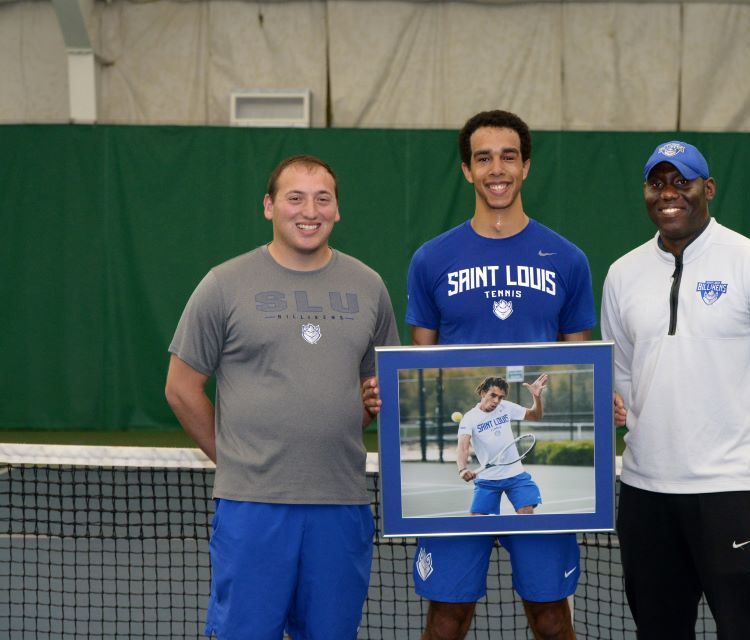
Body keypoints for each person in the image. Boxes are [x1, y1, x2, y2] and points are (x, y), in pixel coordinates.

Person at [164, 155, 400, 639]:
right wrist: (233, 459)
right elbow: (181, 387)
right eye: (295, 197)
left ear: (338, 210)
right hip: (253, 509)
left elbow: (377, 392)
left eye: (322, 198)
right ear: (269, 206)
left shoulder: (369, 286)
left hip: (342, 503)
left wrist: (369, 405)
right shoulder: (223, 284)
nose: (308, 210)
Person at [600, 140, 750, 639]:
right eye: (658, 183)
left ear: (708, 189)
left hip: (731, 494)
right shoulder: (622, 274)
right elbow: (624, 369)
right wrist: (644, 428)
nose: (669, 193)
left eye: (683, 181)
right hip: (645, 493)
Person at [403, 109, 595, 640]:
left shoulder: (568, 260)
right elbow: (419, 363)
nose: (497, 168)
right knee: (446, 618)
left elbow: (579, 363)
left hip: (525, 478)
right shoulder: (430, 260)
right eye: (483, 157)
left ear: (526, 165)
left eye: (508, 156)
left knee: (553, 618)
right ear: (467, 170)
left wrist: (600, 403)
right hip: (468, 478)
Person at [458, 375, 548, 515]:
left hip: (515, 474)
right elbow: (463, 447)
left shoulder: (506, 407)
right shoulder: (469, 418)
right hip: (488, 478)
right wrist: (462, 469)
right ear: (483, 393)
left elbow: (535, 416)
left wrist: (536, 397)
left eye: (500, 397)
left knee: (526, 512)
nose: (496, 401)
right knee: (477, 520)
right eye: (493, 395)